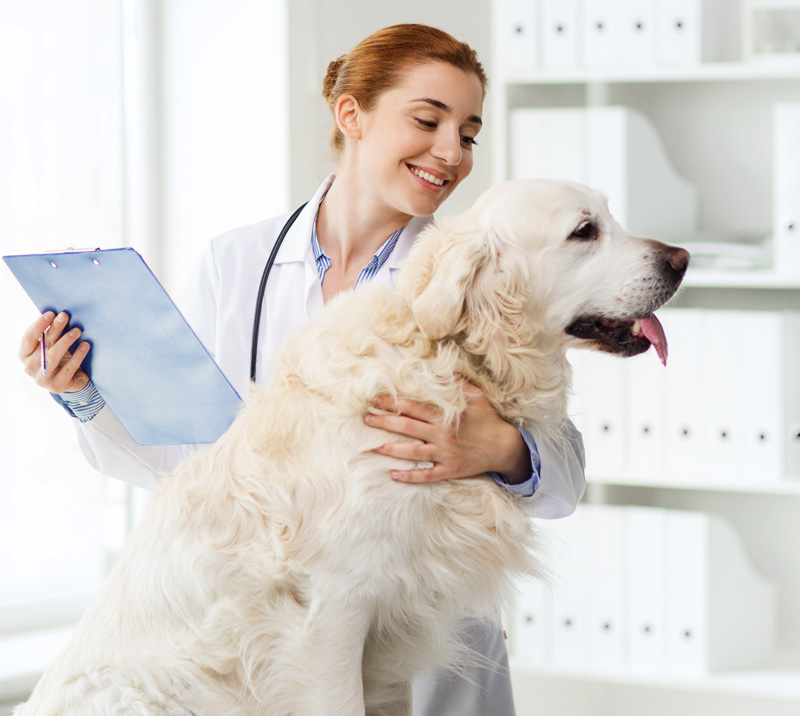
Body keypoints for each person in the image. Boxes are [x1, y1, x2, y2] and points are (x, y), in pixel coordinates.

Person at [18, 23, 585, 716]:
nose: (451, 153)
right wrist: (84, 395)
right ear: (352, 115)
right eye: (428, 120)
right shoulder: (238, 262)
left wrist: (501, 447)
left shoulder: (478, 267)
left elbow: (565, 475)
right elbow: (193, 463)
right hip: (274, 657)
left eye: (467, 134)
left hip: (429, 645)